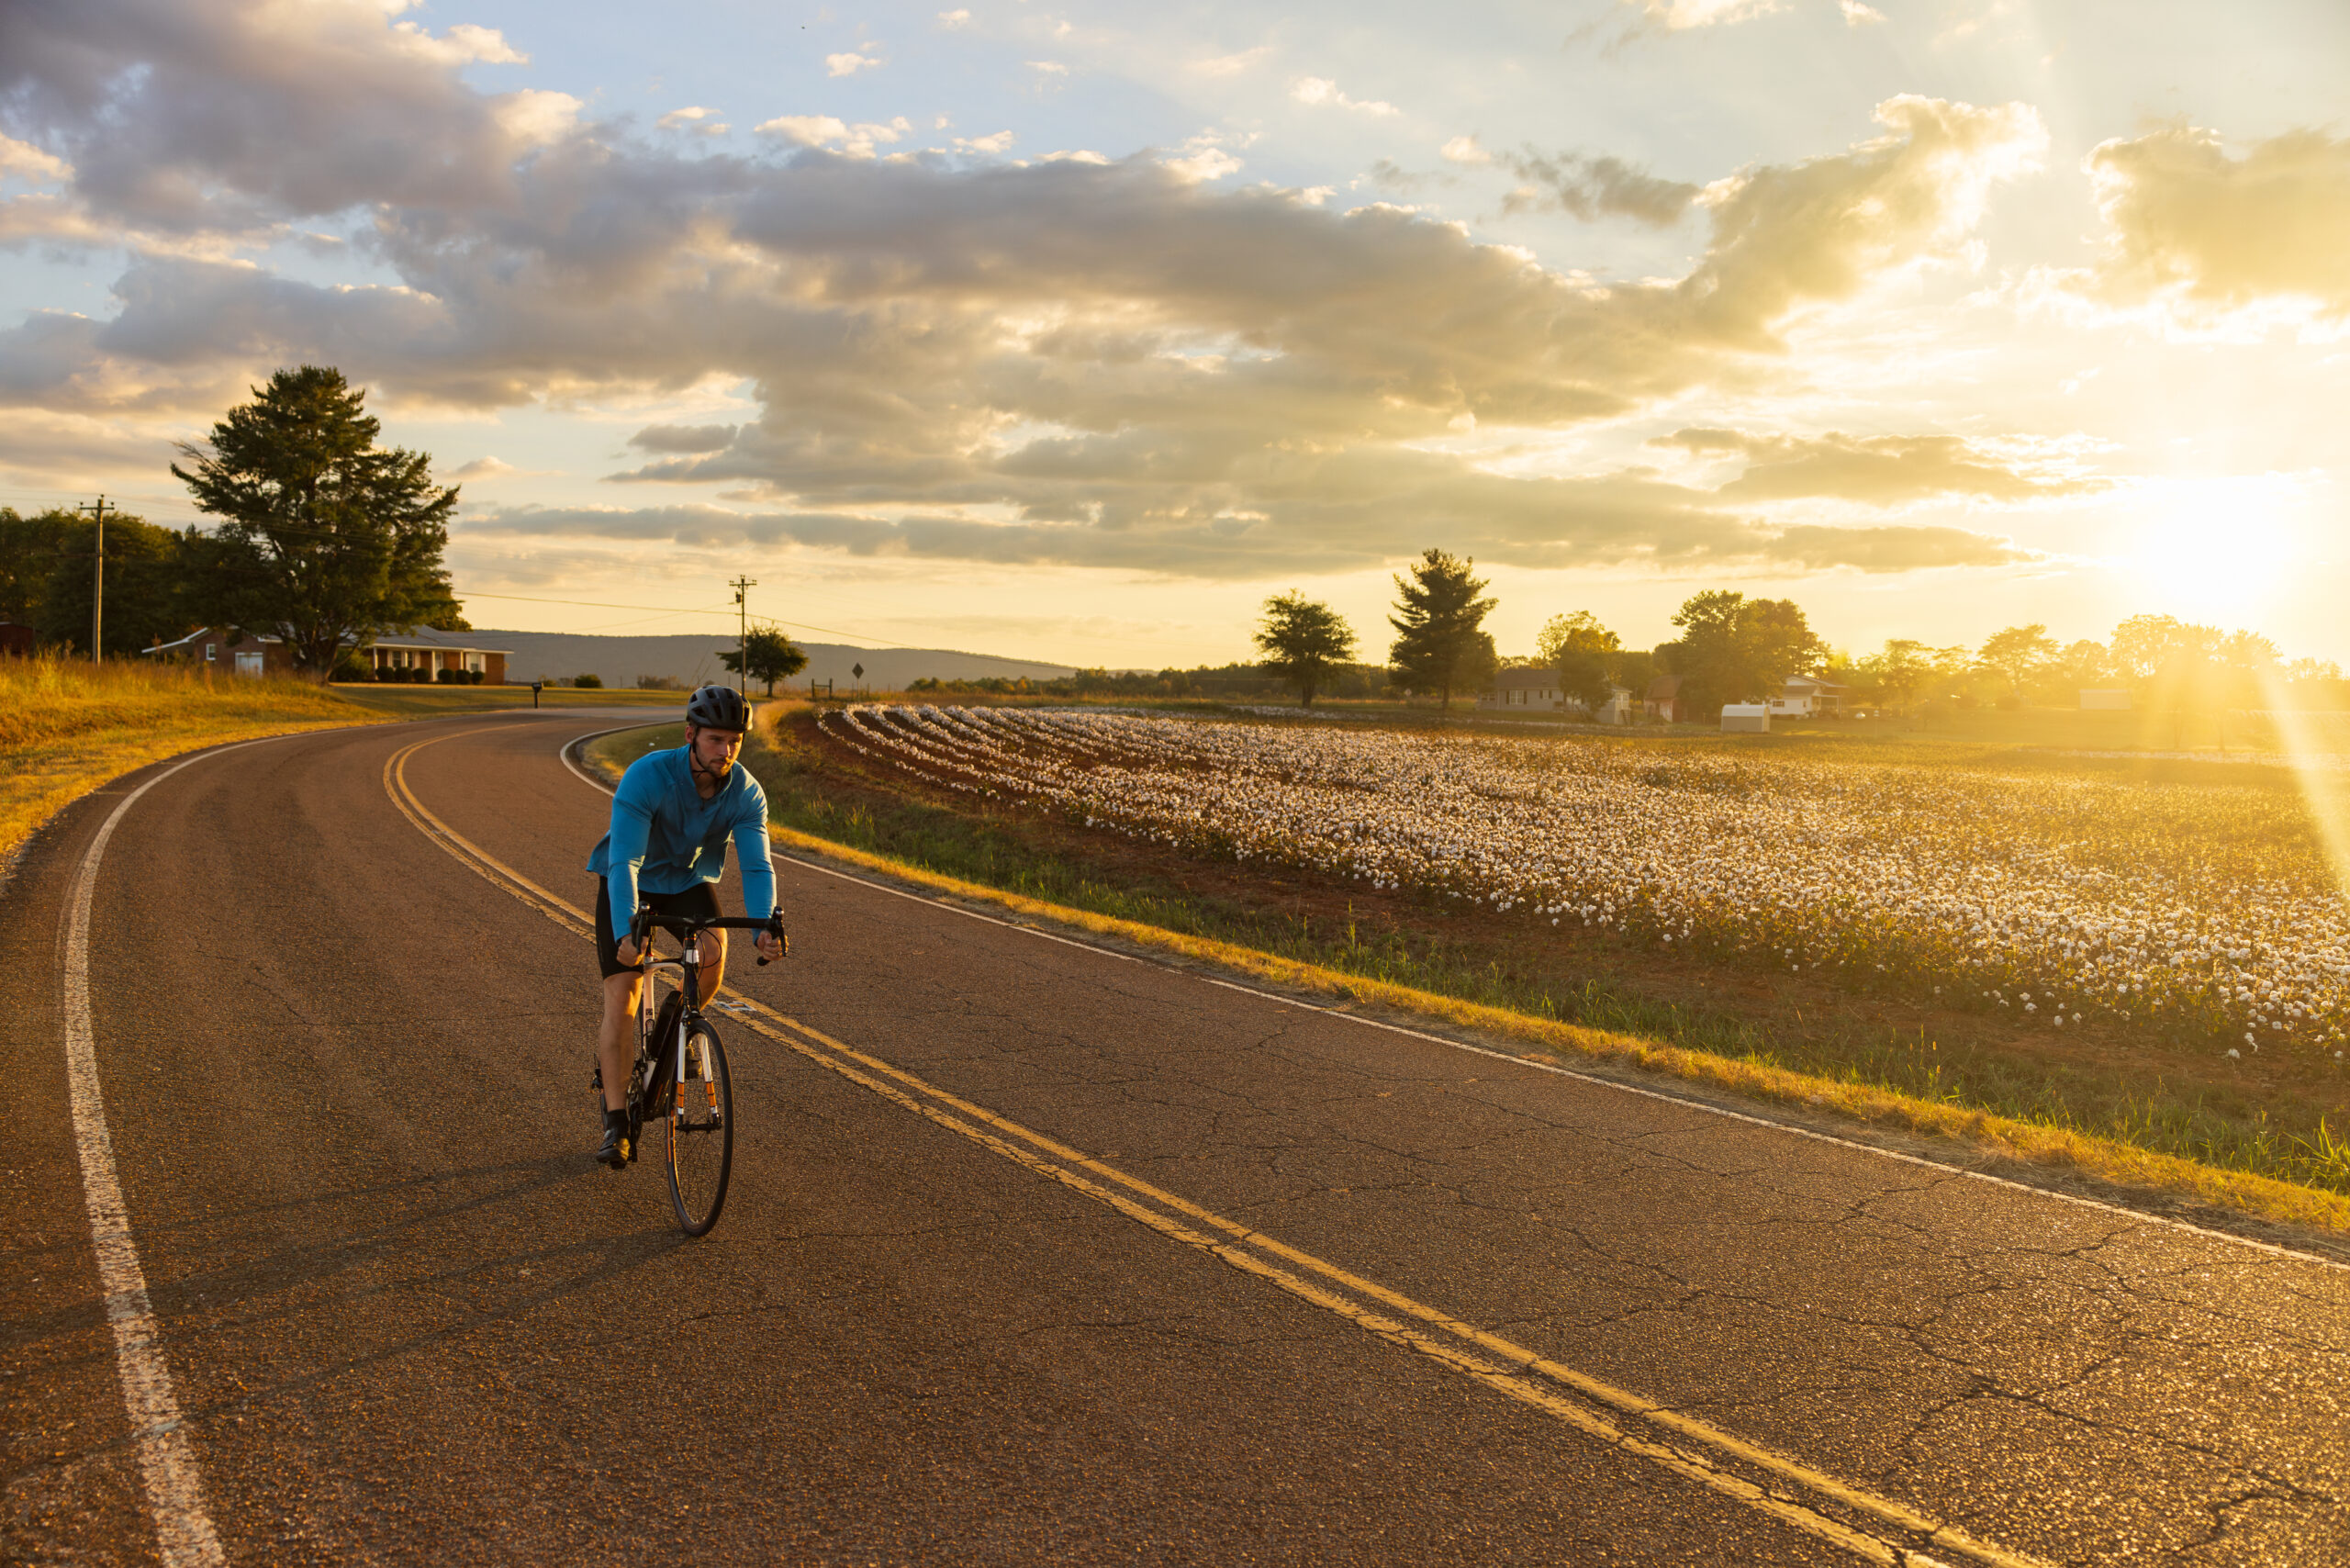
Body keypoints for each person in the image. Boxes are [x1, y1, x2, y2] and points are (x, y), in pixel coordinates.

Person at [587, 684, 782, 1165]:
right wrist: (626, 932)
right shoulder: (647, 776)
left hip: (687, 881)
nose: (727, 751)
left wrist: (763, 925)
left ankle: (673, 1031)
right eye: (716, 739)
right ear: (691, 734)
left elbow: (757, 865)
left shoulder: (745, 791)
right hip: (630, 882)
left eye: (735, 741)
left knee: (713, 958)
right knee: (625, 993)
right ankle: (616, 1124)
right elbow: (625, 862)